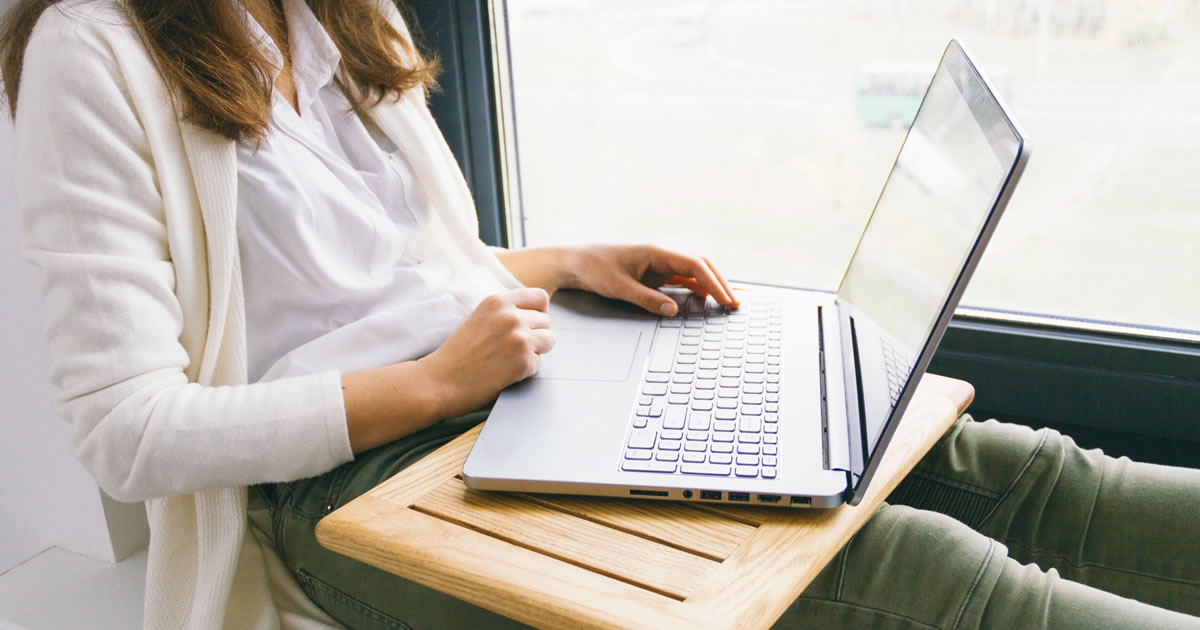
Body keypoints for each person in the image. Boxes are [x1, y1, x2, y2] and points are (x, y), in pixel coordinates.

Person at [2, 1, 1197, 629]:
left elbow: (370, 277)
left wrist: (555, 264)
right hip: (346, 486)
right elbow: (126, 428)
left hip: (498, 378)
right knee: (922, 577)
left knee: (1017, 474)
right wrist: (431, 386)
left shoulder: (326, 11)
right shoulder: (92, 54)